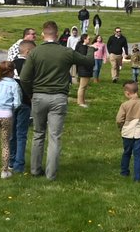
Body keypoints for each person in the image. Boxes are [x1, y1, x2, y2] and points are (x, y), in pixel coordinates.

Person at [19, 20, 95, 180]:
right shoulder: (66, 52)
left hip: (39, 96)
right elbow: (88, 61)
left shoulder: (35, 52)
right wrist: (90, 49)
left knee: (38, 134)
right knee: (54, 136)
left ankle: (35, 170)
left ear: (42, 34)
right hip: (59, 97)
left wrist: (30, 93)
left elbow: (24, 78)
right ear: (57, 33)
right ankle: (51, 174)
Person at [115, 81, 140, 181]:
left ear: (127, 93)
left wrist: (121, 126)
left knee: (126, 152)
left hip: (127, 132)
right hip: (139, 133)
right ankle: (137, 177)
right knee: (138, 155)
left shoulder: (125, 105)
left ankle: (124, 172)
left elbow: (119, 119)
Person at [9, 41, 34, 174]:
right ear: (28, 52)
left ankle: (11, 161)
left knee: (12, 134)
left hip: (10, 104)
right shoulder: (28, 65)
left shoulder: (11, 64)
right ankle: (19, 164)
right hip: (24, 102)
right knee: (21, 134)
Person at [74, 34, 93, 108]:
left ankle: (82, 100)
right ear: (84, 39)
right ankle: (80, 102)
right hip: (84, 69)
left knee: (84, 86)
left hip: (84, 69)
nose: (89, 40)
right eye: (88, 39)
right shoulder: (83, 48)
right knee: (82, 86)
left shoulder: (84, 47)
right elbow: (84, 59)